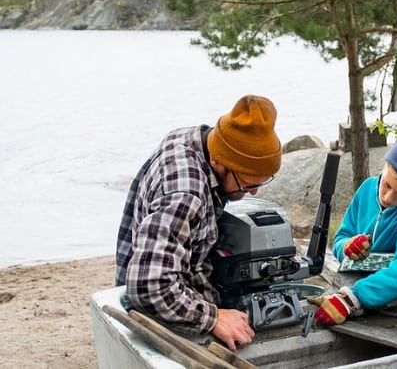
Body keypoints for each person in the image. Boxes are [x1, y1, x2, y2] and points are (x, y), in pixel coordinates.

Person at [115, 94, 282, 350]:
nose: (254, 192)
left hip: (186, 289)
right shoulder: (186, 194)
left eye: (261, 182)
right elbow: (149, 286)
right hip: (157, 313)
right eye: (247, 185)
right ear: (217, 160)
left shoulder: (200, 140)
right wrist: (213, 318)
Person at [313, 135, 397, 326]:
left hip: (393, 301)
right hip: (349, 288)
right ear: (385, 167)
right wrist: (347, 248)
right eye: (387, 184)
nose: (388, 197)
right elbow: (340, 238)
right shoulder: (367, 188)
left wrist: (353, 299)